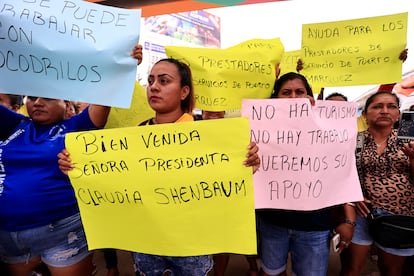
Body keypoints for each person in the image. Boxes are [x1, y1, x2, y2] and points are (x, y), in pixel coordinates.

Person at [57, 58, 260, 276]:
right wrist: (77, 167)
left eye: (164, 81)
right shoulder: (135, 134)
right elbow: (116, 179)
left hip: (193, 245)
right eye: (151, 80)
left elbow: (225, 179)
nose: (153, 86)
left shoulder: (207, 136)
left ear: (184, 92)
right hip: (146, 244)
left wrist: (247, 162)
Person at [257, 72, 356, 276]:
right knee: (271, 272)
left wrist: (349, 219)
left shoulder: (331, 130)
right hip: (273, 222)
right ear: (275, 99)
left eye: (299, 92)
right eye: (286, 92)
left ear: (310, 97)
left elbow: (343, 173)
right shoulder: (260, 129)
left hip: (314, 226)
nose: (293, 97)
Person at [340, 91, 414, 276]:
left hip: (399, 216)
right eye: (377, 106)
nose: (384, 111)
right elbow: (342, 176)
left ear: (398, 113)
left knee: (391, 270)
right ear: (364, 114)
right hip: (362, 214)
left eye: (391, 106)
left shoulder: (410, 142)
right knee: (352, 268)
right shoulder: (352, 141)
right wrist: (354, 197)